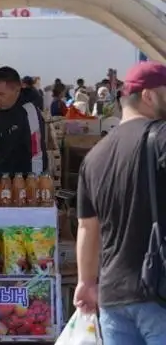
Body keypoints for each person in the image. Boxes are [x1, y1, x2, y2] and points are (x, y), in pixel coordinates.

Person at [75, 62, 166, 344]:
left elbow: (87, 227)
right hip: (158, 291)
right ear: (149, 95)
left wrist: (86, 283)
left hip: (113, 296)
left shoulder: (94, 156)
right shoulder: (161, 136)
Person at [0, 66, 47, 175]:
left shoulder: (29, 111)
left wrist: (34, 180)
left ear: (17, 90)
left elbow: (36, 152)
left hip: (25, 180)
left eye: (1, 94)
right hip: (0, 180)